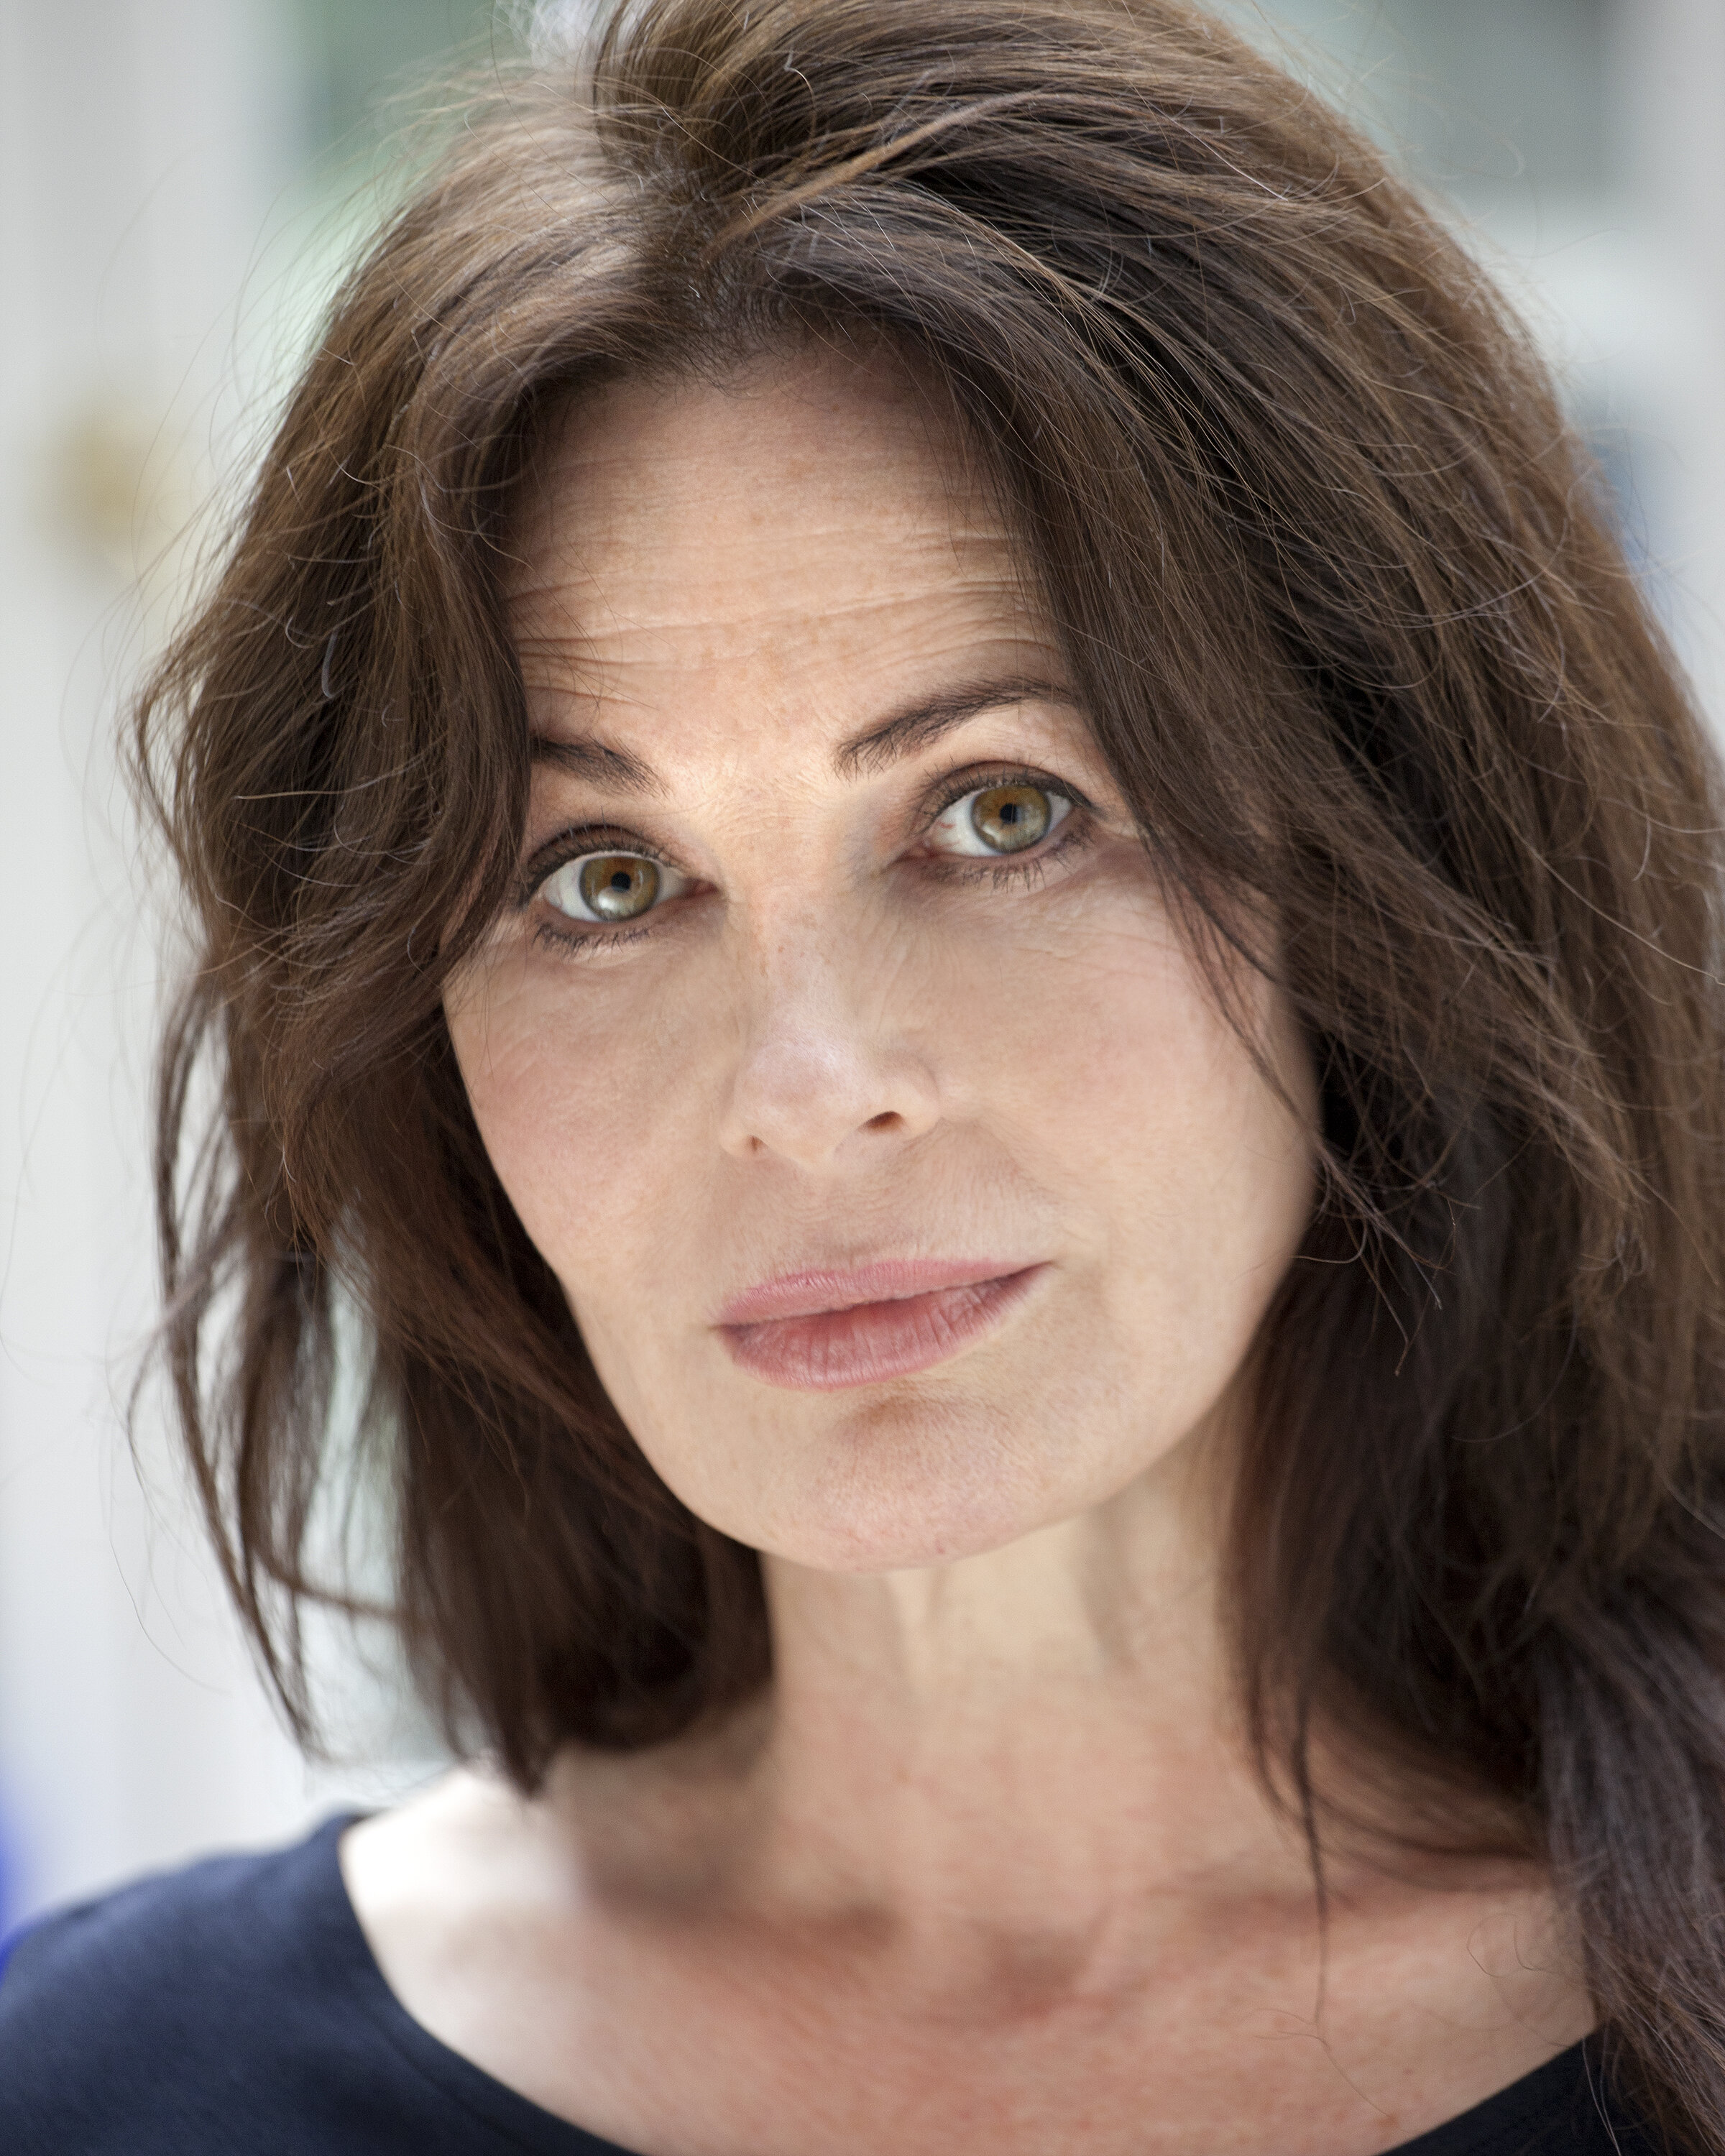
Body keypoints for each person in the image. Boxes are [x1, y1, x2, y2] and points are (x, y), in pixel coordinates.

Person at [3, 0, 1722, 2147]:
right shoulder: (105, 2096)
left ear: (1392, 863)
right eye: (603, 880)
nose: (807, 1088)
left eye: (1004, 812)